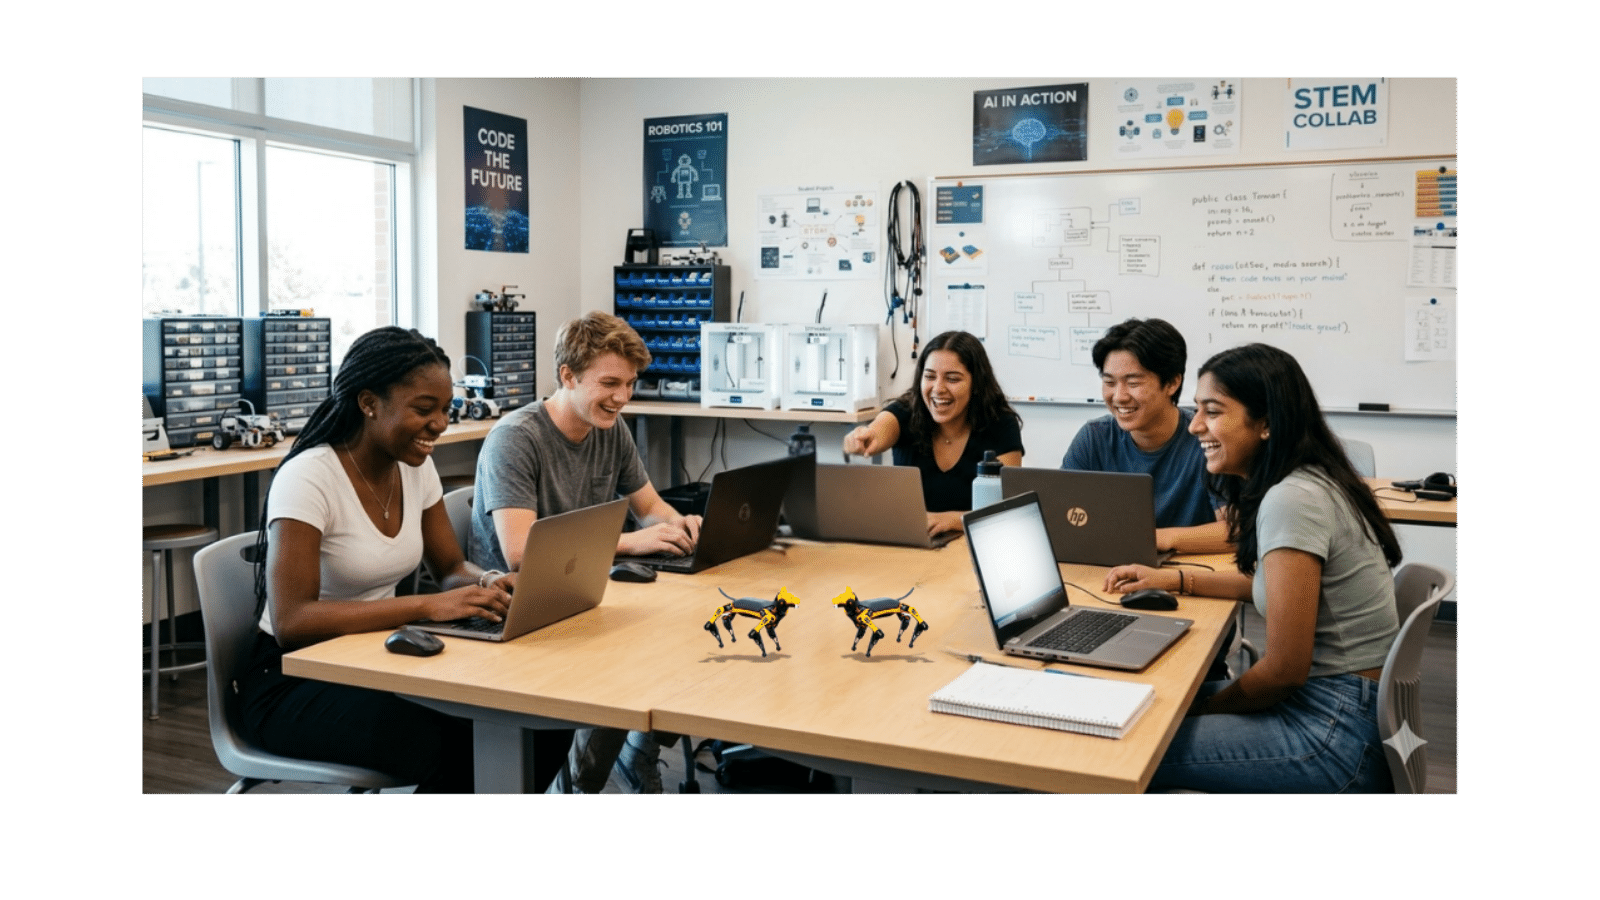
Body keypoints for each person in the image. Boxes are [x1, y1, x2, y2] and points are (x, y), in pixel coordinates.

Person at [237, 327, 558, 794]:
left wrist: (487, 581)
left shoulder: (414, 465)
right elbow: (292, 620)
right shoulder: (309, 477)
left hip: (373, 657)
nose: (441, 424)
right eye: (424, 409)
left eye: (445, 409)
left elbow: (449, 568)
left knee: (538, 719)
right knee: (454, 743)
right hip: (292, 678)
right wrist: (425, 608)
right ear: (369, 403)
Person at [1104, 343, 1403, 793]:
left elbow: (1283, 670)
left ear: (1265, 423)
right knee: (1132, 709)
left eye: (1213, 411)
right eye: (1197, 409)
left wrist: (1203, 710)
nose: (1195, 426)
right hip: (1347, 707)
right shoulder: (1306, 481)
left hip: (1332, 730)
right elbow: (1275, 588)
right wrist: (1175, 578)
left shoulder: (1292, 499)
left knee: (1128, 745)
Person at [470, 311, 701, 794]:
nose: (622, 397)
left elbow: (651, 507)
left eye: (631, 383)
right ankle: (577, 786)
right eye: (610, 383)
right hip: (516, 608)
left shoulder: (608, 428)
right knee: (625, 663)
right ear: (567, 376)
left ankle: (630, 756)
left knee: (689, 632)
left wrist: (679, 525)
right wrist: (631, 542)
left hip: (583, 593)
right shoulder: (515, 439)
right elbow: (520, 553)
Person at [1060, 317, 1228, 554]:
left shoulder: (1207, 439)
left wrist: (1153, 538)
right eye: (1109, 382)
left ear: (1172, 383)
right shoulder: (1094, 438)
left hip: (1191, 573)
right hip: (1111, 572)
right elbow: (1061, 519)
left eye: (1133, 382)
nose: (1119, 396)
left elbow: (1236, 531)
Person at [842, 330, 1023, 535]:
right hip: (913, 542)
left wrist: (955, 519)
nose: (938, 389)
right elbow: (878, 430)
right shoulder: (907, 411)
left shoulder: (1000, 423)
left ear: (976, 385)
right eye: (929, 377)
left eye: (952, 379)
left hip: (973, 542)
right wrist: (863, 437)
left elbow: (1008, 508)